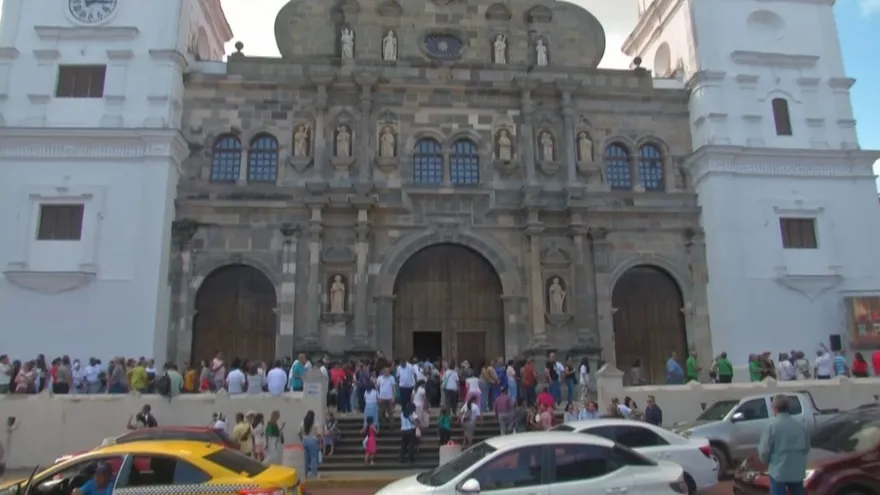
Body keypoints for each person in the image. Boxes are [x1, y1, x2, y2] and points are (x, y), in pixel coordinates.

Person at [758, 395, 810, 495]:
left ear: (775, 408)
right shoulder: (800, 425)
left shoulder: (771, 426)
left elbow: (764, 451)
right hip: (797, 471)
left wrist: (767, 462)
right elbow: (807, 447)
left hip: (778, 471)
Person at [299, 410, 321, 479]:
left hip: (305, 440)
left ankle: (304, 474)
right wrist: (320, 443)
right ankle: (314, 474)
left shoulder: (303, 422)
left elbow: (299, 432)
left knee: (305, 458)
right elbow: (318, 434)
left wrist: (302, 440)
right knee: (313, 458)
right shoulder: (316, 423)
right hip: (313, 440)